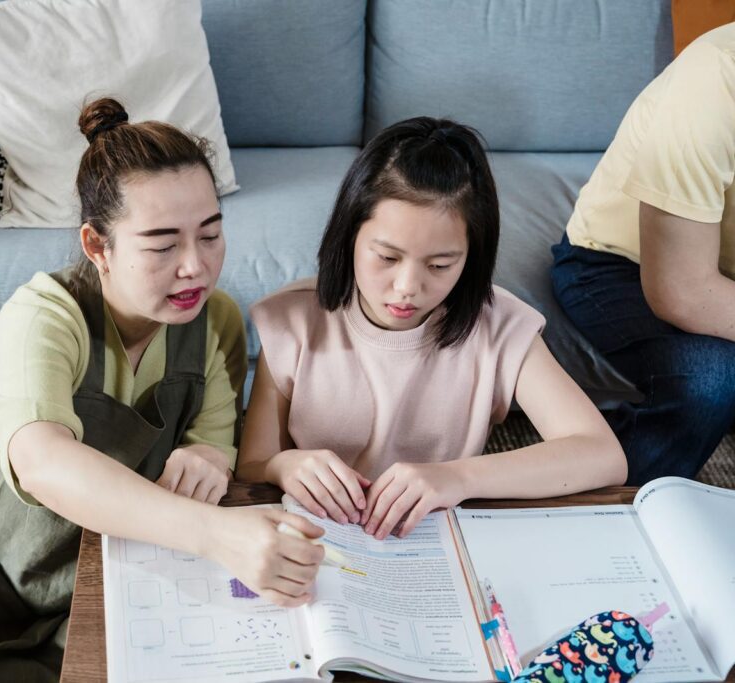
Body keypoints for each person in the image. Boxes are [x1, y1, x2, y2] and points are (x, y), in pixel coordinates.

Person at [0, 98, 326, 681]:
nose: (196, 266)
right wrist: (216, 534)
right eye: (163, 245)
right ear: (97, 246)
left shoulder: (215, 321)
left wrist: (213, 454)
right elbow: (43, 461)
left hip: (94, 567)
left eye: (210, 234)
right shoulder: (43, 316)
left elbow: (216, 440)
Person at [237, 117, 627, 540]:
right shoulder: (291, 320)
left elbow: (601, 454)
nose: (407, 288)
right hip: (323, 541)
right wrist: (284, 465)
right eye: (386, 258)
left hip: (438, 542)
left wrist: (458, 478)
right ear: (349, 236)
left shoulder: (499, 327)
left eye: (440, 265)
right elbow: (253, 464)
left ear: (471, 257)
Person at [551, 22, 735, 485]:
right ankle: (610, 504)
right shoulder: (716, 78)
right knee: (710, 381)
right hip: (617, 264)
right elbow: (683, 292)